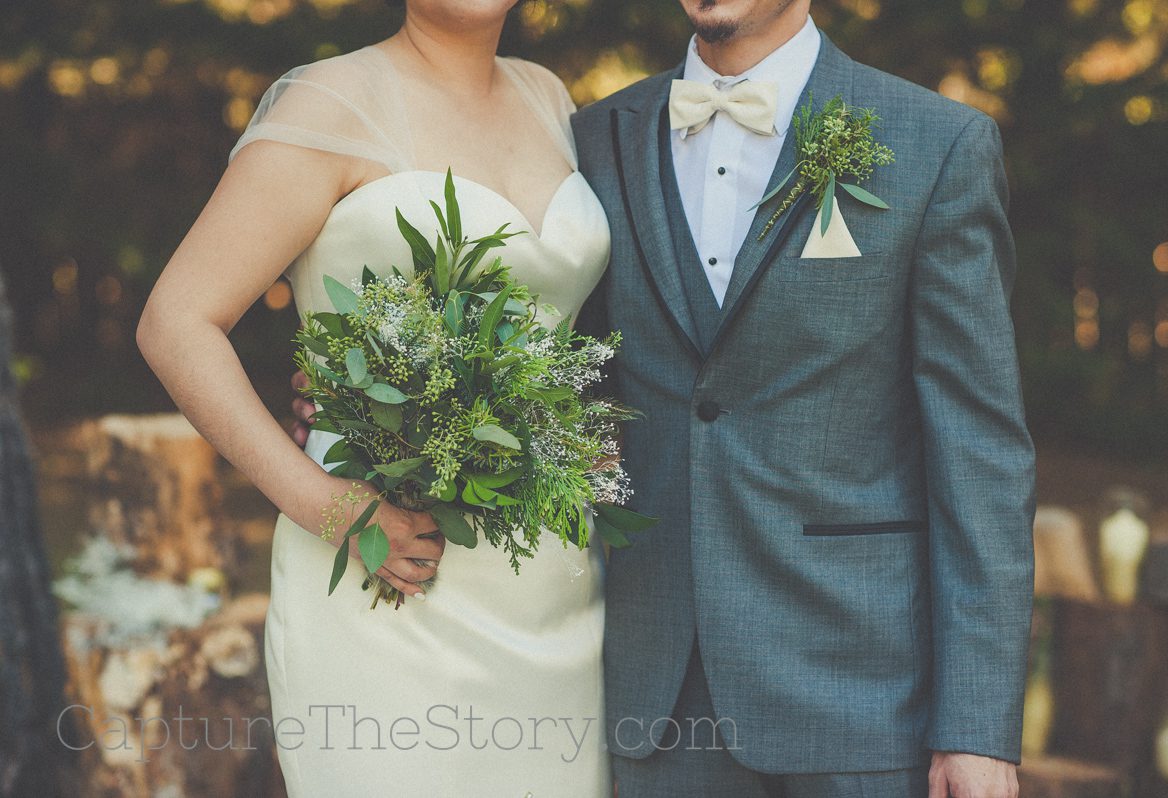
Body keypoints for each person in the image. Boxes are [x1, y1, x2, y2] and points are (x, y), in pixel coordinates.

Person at [291, 2, 1036, 796]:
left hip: (863, 701)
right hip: (656, 699)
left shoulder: (936, 144)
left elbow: (980, 453)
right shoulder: (594, 138)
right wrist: (373, 400)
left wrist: (977, 728)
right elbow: (548, 350)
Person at [138, 0, 613, 794]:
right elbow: (176, 323)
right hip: (385, 577)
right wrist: (329, 508)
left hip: (552, 587)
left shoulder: (549, 97)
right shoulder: (331, 103)